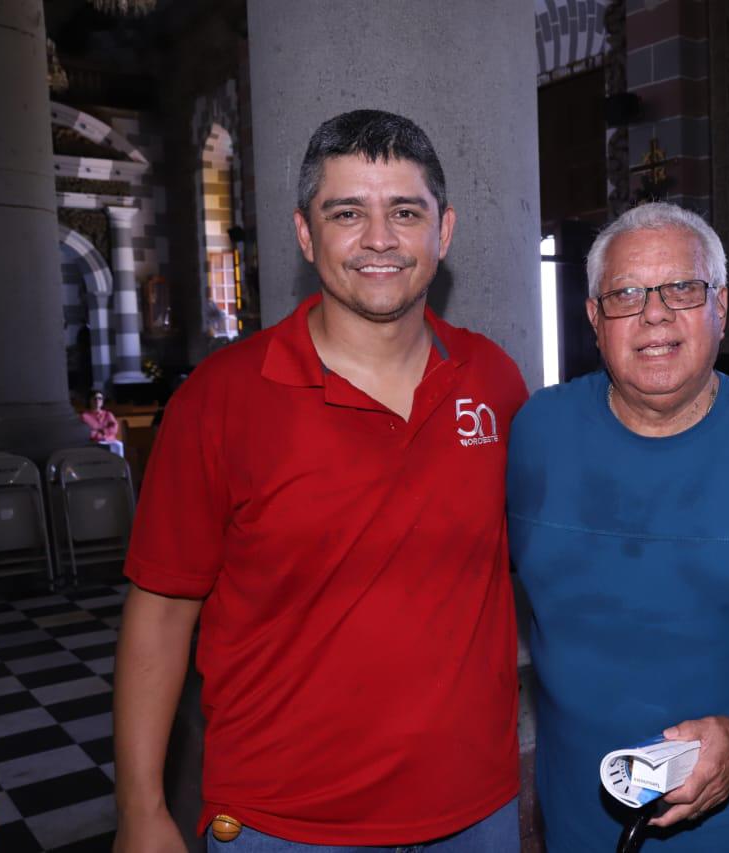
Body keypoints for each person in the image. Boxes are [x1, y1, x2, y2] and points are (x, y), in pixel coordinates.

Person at [113, 110, 527, 852]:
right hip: (283, 822)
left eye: (405, 211)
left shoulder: (494, 381)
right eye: (347, 212)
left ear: (445, 230)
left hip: (473, 809)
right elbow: (161, 613)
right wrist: (142, 810)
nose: (379, 239)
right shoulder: (220, 399)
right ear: (307, 234)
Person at [507, 202, 729, 851]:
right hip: (577, 831)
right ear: (594, 318)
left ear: (720, 304)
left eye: (682, 288)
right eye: (627, 293)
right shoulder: (536, 434)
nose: (656, 312)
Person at [80, 389, 123, 457]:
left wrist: (104, 432)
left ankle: (119, 466)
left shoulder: (108, 414)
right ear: (89, 400)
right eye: (94, 398)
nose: (97, 401)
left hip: (109, 439)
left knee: (118, 445)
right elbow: (86, 431)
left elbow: (114, 427)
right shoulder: (84, 416)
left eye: (100, 398)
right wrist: (99, 435)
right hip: (94, 442)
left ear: (102, 401)